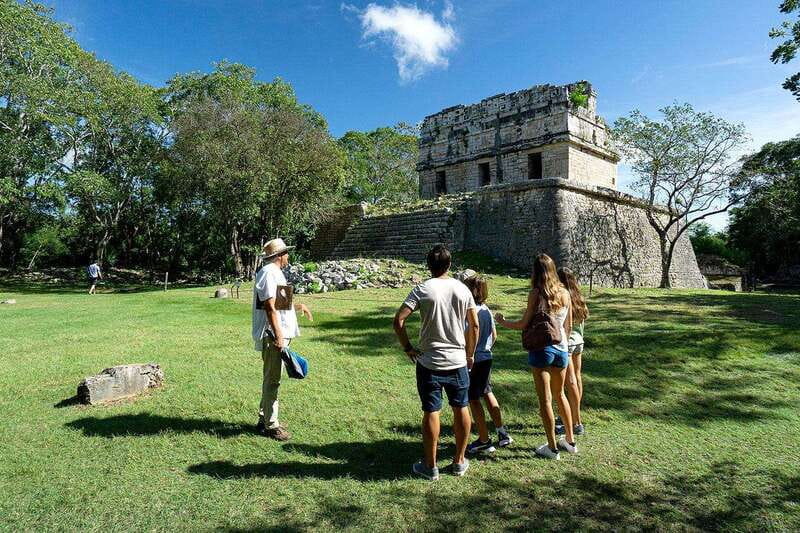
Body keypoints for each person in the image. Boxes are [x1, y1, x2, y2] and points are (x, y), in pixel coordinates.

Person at [393, 244, 479, 480]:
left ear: (428, 265)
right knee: (461, 407)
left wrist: (408, 347)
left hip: (429, 361)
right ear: (449, 265)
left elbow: (399, 320)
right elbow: (475, 324)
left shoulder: (422, 289)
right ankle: (459, 461)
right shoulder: (462, 290)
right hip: (457, 360)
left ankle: (430, 466)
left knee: (432, 410)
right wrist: (470, 353)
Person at [495, 253, 577, 460]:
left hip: (542, 349)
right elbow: (568, 326)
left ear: (536, 272)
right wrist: (564, 346)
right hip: (562, 349)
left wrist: (503, 322)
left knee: (546, 401)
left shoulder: (537, 293)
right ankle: (570, 440)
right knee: (561, 395)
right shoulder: (565, 293)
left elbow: (524, 323)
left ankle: (552, 447)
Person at [252, 238, 313, 441]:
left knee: (272, 378)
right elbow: (269, 307)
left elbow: (281, 304)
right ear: (279, 256)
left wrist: (299, 306)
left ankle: (265, 418)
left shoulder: (276, 273)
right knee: (273, 380)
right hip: (273, 335)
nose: (288, 256)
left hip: (279, 334)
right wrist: (278, 336)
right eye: (286, 253)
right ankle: (271, 425)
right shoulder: (268, 272)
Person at [461, 275, 513, 455]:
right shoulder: (486, 309)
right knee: (487, 392)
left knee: (473, 399)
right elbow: (494, 335)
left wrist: (470, 353)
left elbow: (468, 334)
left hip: (473, 359)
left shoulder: (470, 311)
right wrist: (486, 347)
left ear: (473, 291)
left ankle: (484, 440)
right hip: (487, 357)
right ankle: (502, 433)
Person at [556, 267, 588, 437]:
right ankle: (570, 415)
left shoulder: (563, 297)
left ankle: (576, 422)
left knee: (570, 382)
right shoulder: (579, 297)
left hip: (568, 343)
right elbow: (585, 317)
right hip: (579, 341)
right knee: (577, 378)